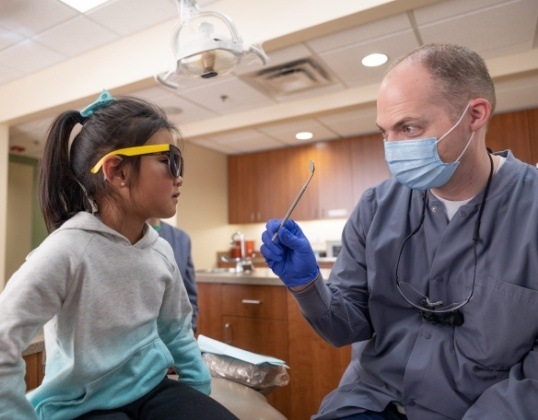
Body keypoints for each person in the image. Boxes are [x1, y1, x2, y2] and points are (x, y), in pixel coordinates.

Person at [260, 43, 538, 420]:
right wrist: (308, 285)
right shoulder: (377, 207)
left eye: (408, 127)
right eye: (384, 133)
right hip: (369, 401)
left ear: (474, 114)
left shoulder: (531, 209)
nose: (392, 149)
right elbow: (346, 327)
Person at [0, 90, 236, 419]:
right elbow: (4, 338)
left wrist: (196, 394)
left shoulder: (161, 250)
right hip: (82, 406)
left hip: (152, 388)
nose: (179, 177)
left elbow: (175, 329)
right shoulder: (65, 252)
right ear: (117, 172)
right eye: (170, 161)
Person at [147, 217, 199, 333]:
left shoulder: (181, 239)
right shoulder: (123, 237)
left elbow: (189, 294)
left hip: (175, 337)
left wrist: (189, 331)